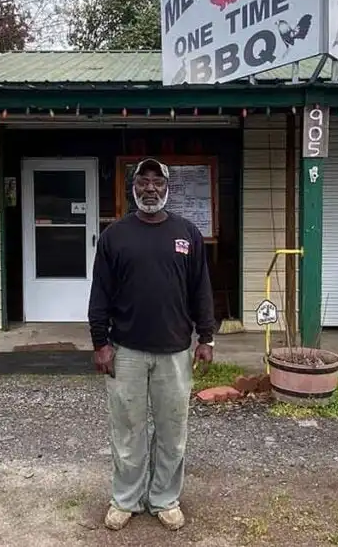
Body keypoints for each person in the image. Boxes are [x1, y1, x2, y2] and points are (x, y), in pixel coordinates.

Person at [88, 157, 215, 532]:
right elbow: (100, 294)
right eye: (143, 182)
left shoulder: (187, 234)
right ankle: (126, 499)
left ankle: (163, 498)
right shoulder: (115, 236)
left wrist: (205, 337)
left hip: (175, 351)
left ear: (167, 188)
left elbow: (201, 291)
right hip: (125, 350)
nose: (150, 189)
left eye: (157, 182)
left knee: (173, 431)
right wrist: (100, 342)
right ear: (133, 187)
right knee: (127, 430)